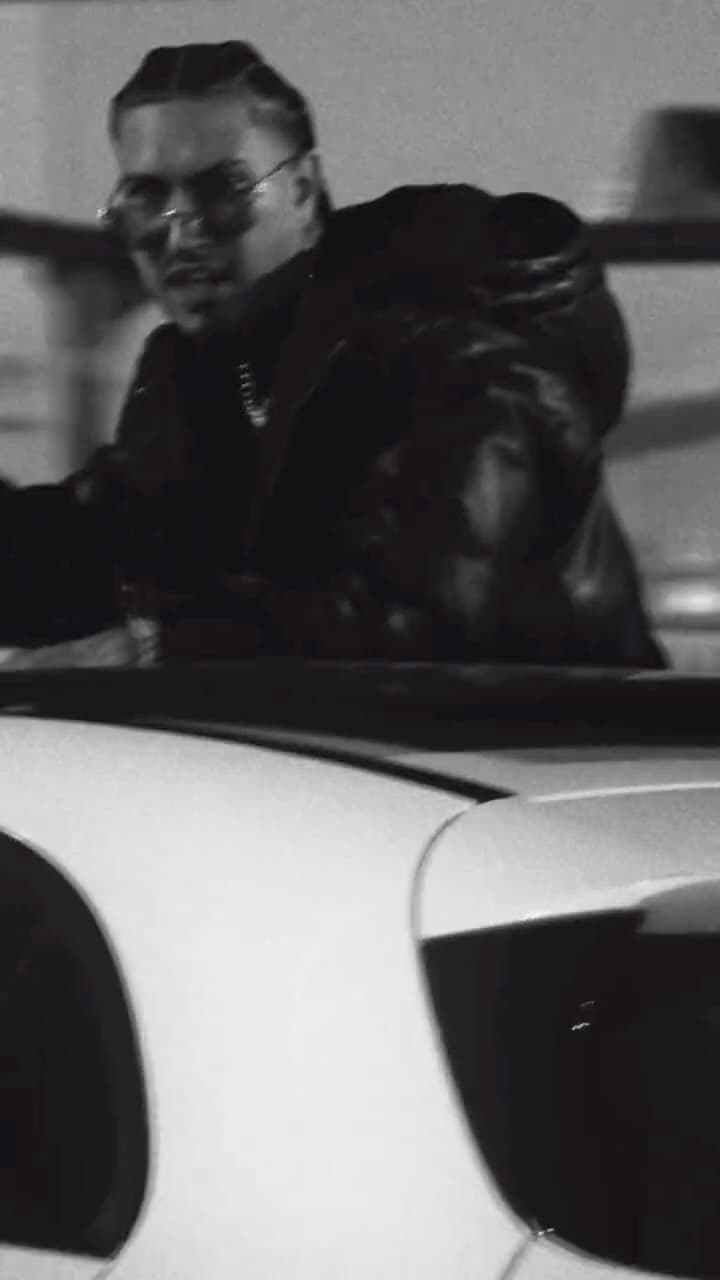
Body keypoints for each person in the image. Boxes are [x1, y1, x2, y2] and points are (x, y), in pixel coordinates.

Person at [0, 41, 662, 667]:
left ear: (304, 192)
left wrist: (150, 647)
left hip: (549, 741)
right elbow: (106, 545)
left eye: (222, 190)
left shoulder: (460, 362)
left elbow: (413, 617)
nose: (179, 232)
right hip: (363, 742)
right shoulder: (199, 371)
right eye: (145, 198)